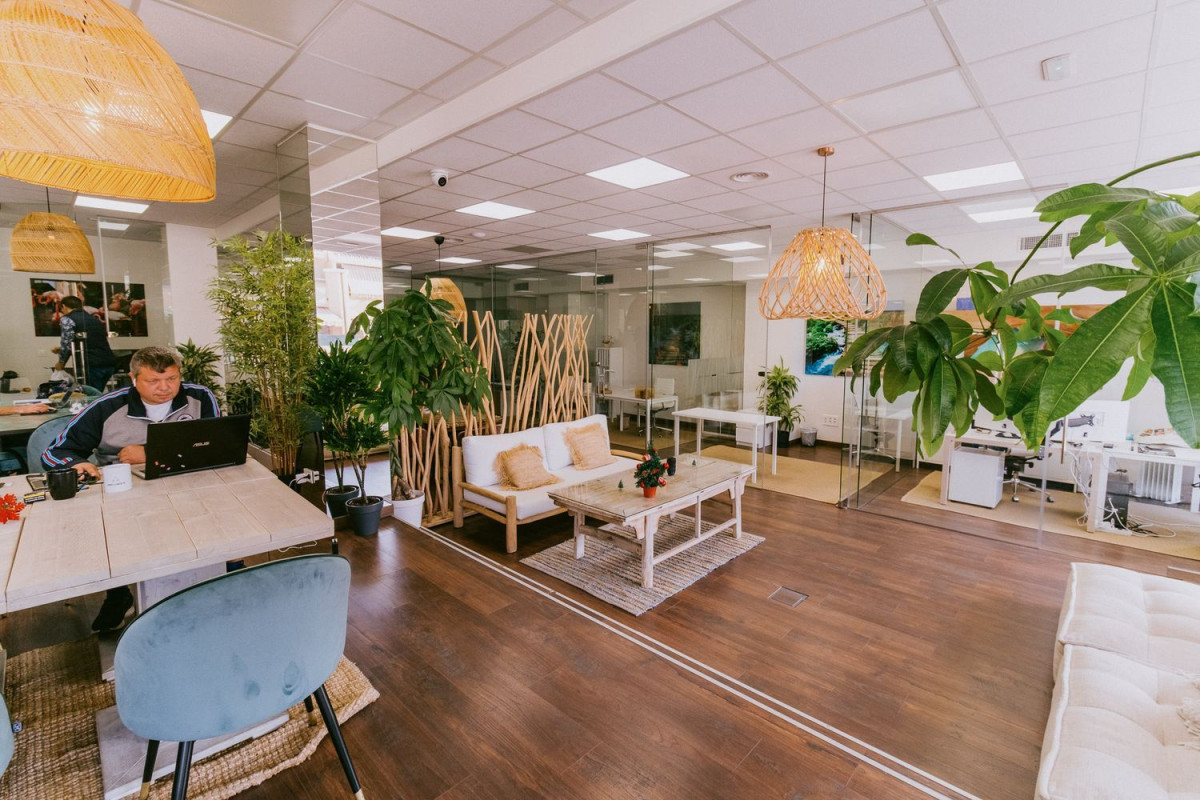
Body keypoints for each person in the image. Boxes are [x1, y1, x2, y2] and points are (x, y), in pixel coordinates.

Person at [41, 346, 220, 631]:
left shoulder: (199, 397)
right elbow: (56, 452)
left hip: (188, 485)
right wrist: (77, 464)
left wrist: (150, 451)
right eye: (153, 381)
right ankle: (119, 592)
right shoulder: (106, 407)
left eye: (172, 379)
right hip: (125, 493)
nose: (165, 388)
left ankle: (220, 577)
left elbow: (216, 444)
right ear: (134, 379)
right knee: (115, 534)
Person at [54, 296, 117, 392]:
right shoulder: (93, 318)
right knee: (97, 393)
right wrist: (60, 349)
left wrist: (61, 362)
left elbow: (66, 342)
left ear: (64, 306)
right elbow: (92, 340)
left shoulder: (67, 319)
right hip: (107, 362)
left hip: (89, 364)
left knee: (89, 395)